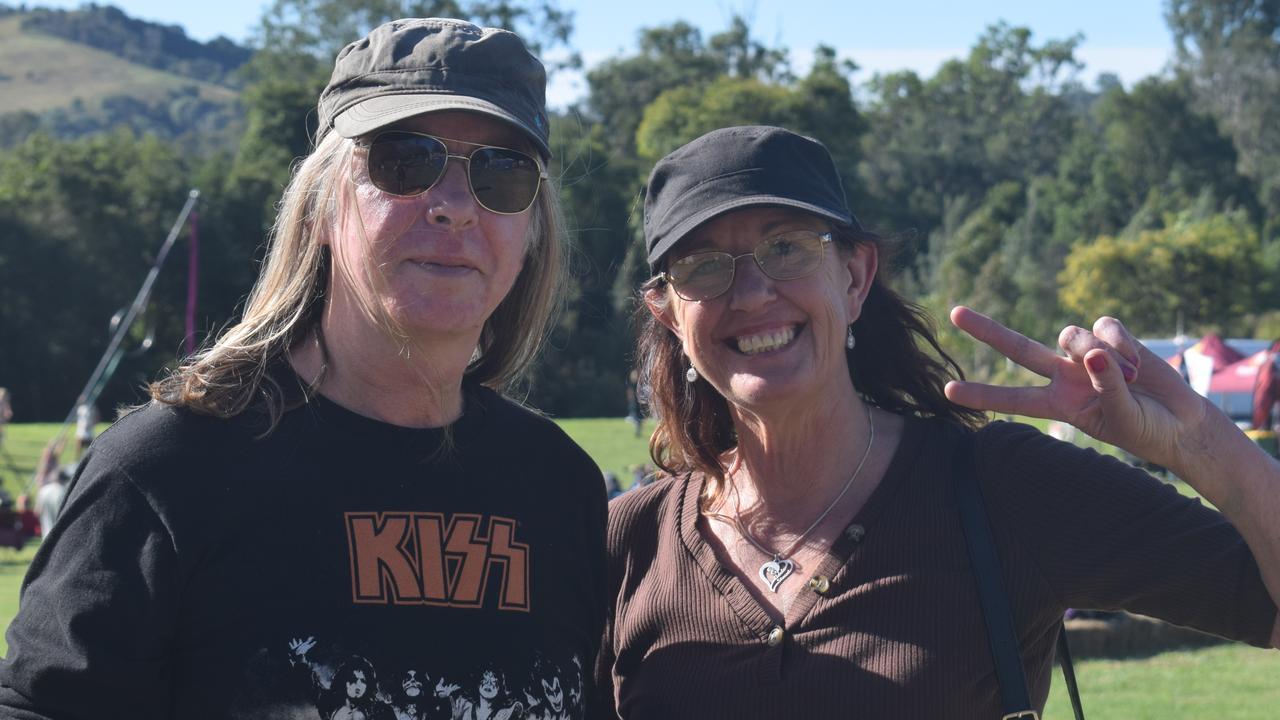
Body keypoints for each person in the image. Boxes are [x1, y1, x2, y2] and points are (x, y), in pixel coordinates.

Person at [0, 18, 605, 719]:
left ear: (532, 232)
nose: (454, 208)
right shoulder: (167, 471)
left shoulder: (560, 488)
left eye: (503, 172)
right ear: (322, 203)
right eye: (405, 161)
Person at [596, 125, 1280, 717]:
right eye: (703, 266)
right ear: (667, 313)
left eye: (787, 247)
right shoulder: (628, 543)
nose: (750, 292)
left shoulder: (1003, 487)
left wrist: (1200, 444)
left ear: (856, 277)